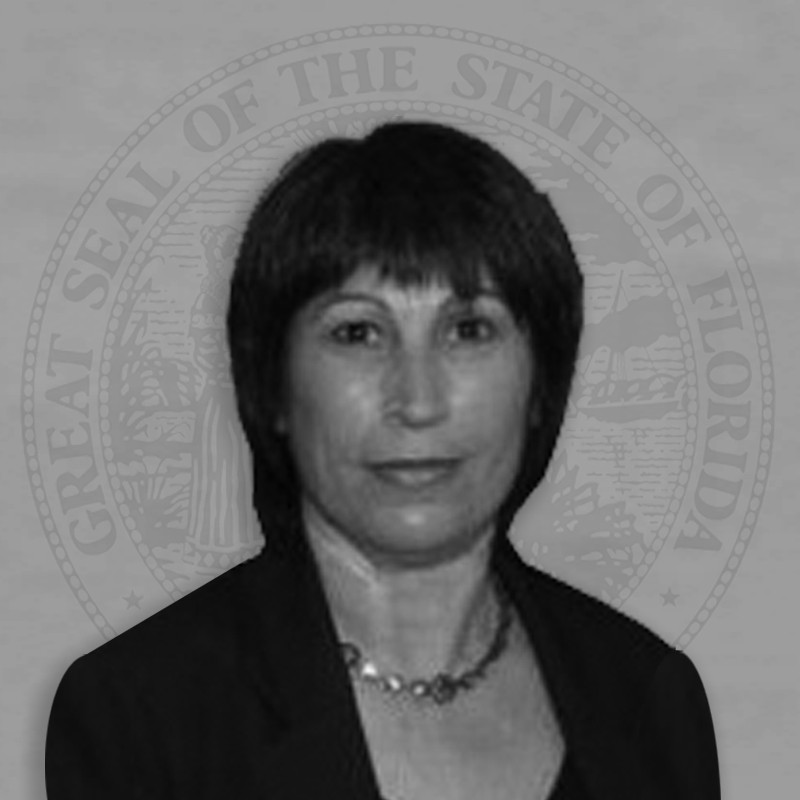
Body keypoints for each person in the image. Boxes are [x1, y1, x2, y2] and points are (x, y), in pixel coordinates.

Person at [45, 120, 720, 800]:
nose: (418, 401)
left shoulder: (651, 699)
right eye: (358, 333)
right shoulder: (138, 712)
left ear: (541, 381)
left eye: (469, 330)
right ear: (272, 385)